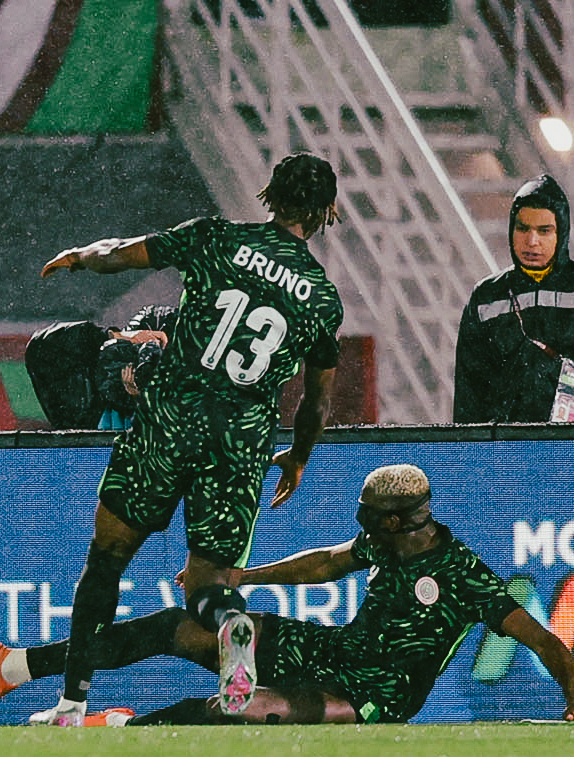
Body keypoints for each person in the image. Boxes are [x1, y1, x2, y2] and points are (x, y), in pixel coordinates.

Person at [32, 152, 345, 725]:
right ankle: (230, 624)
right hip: (240, 443)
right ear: (328, 212)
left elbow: (122, 252)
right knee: (207, 583)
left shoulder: (215, 238)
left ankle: (71, 704)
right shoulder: (323, 301)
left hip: (171, 419)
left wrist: (81, 257)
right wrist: (298, 457)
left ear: (268, 195)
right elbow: (318, 399)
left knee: (106, 559)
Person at [0, 464, 574, 725]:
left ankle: (116, 731)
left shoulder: (463, 574)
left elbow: (542, 638)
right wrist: (239, 577)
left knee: (238, 711)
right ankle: (11, 668)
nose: (360, 523)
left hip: (370, 696)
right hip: (329, 649)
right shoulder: (384, 542)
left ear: (399, 520)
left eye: (368, 515)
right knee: (179, 627)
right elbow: (324, 566)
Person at [453, 173, 574, 423]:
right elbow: (469, 393)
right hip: (506, 455)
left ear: (561, 233)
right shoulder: (486, 298)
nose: (531, 241)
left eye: (544, 231)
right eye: (522, 228)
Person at [24, 305, 176, 430]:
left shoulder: (190, 419)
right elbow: (39, 349)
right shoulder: (87, 408)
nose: (148, 369)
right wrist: (113, 337)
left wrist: (145, 404)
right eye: (139, 356)